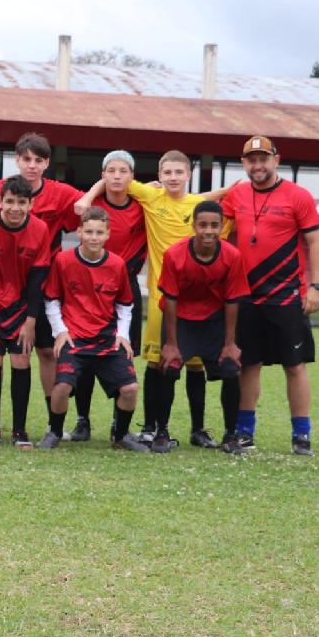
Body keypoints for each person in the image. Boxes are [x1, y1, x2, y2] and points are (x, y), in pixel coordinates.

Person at [76, 149, 231, 448]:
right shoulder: (150, 197)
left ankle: (198, 429)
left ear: (188, 175)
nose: (173, 178)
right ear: (158, 177)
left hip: (198, 298)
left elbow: (217, 200)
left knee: (195, 364)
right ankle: (150, 426)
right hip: (162, 297)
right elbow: (109, 179)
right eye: (167, 173)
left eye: (179, 173)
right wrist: (86, 198)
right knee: (158, 362)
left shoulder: (200, 206)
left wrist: (230, 189)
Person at [221, 135, 319, 455]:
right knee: (248, 364)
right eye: (252, 160)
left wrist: (316, 286)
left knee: (294, 365)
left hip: (285, 295)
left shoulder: (298, 196)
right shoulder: (236, 194)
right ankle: (244, 433)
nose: (258, 165)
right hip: (247, 295)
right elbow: (210, 220)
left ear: (276, 161)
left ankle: (301, 436)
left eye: (264, 159)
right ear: (244, 164)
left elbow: (317, 242)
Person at [0, 133, 82, 419]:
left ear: (47, 163)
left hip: (44, 287)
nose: (32, 165)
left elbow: (92, 202)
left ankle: (55, 421)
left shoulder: (61, 192)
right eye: (26, 159)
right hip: (1, 289)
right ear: (17, 160)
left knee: (46, 352)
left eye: (39, 160)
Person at [39, 207, 149, 452]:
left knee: (130, 389)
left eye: (99, 232)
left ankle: (120, 436)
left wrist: (122, 335)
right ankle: (54, 431)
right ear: (79, 232)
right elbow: (52, 299)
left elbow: (124, 304)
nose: (93, 237)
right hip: (74, 338)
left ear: (108, 234)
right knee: (62, 387)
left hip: (107, 339)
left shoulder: (117, 264)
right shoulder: (63, 260)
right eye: (88, 231)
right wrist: (60, 332)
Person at [155, 200, 250, 454]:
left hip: (215, 322)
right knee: (169, 367)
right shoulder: (174, 254)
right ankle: (161, 432)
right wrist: (172, 344)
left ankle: (231, 436)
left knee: (231, 369)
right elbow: (171, 301)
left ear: (221, 227)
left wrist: (230, 344)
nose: (208, 230)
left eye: (214, 225)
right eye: (203, 225)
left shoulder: (232, 256)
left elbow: (232, 301)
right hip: (182, 322)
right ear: (193, 225)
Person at [69, 150, 147, 442]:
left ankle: (119, 426)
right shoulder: (93, 207)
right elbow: (78, 208)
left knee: (123, 354)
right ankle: (82, 421)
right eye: (111, 170)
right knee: (86, 356)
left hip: (126, 286)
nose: (117, 176)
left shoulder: (143, 205)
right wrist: (92, 193)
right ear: (102, 175)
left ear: (132, 176)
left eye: (123, 170)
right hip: (91, 291)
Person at [0, 175, 52, 448]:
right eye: (9, 201)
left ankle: (19, 430)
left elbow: (37, 280)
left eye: (21, 202)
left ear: (30, 204)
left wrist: (30, 321)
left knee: (21, 361)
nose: (14, 207)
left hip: (23, 307)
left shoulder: (40, 229)